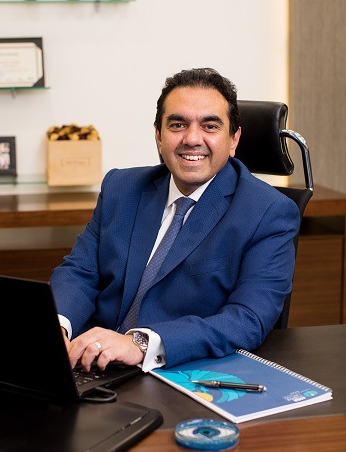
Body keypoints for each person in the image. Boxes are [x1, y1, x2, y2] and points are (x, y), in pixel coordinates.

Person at [50, 68, 299, 373]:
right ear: (159, 135)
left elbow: (247, 319)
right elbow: (80, 272)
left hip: (176, 369)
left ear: (234, 139)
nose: (192, 139)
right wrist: (57, 326)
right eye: (178, 125)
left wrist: (140, 344)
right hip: (90, 360)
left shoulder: (269, 212)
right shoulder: (120, 188)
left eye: (210, 126)